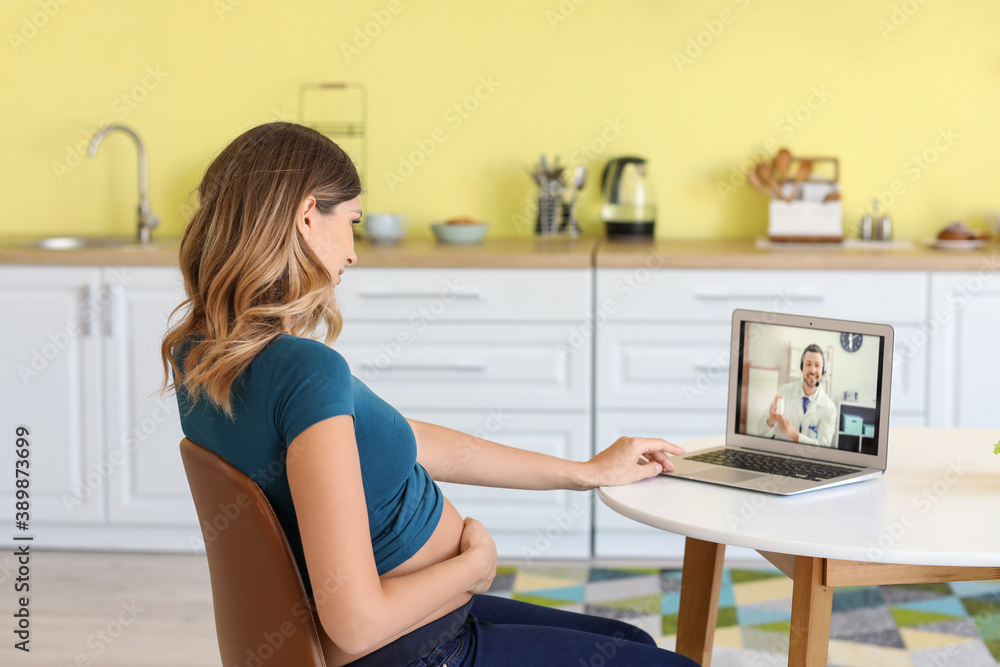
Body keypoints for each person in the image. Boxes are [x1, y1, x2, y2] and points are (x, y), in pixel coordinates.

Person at [161, 122, 698, 667]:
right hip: (421, 649)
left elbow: (412, 442)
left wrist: (586, 471)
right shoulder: (305, 371)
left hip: (430, 623)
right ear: (306, 217)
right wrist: (474, 567)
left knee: (635, 645)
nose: (353, 252)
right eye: (351, 222)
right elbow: (355, 623)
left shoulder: (203, 359)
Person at [757, 344, 837, 447]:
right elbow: (761, 433)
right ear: (801, 368)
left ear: (823, 371)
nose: (812, 370)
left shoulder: (829, 408)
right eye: (808, 364)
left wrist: (794, 436)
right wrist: (770, 422)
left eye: (817, 365)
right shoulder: (783, 392)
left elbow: (823, 447)